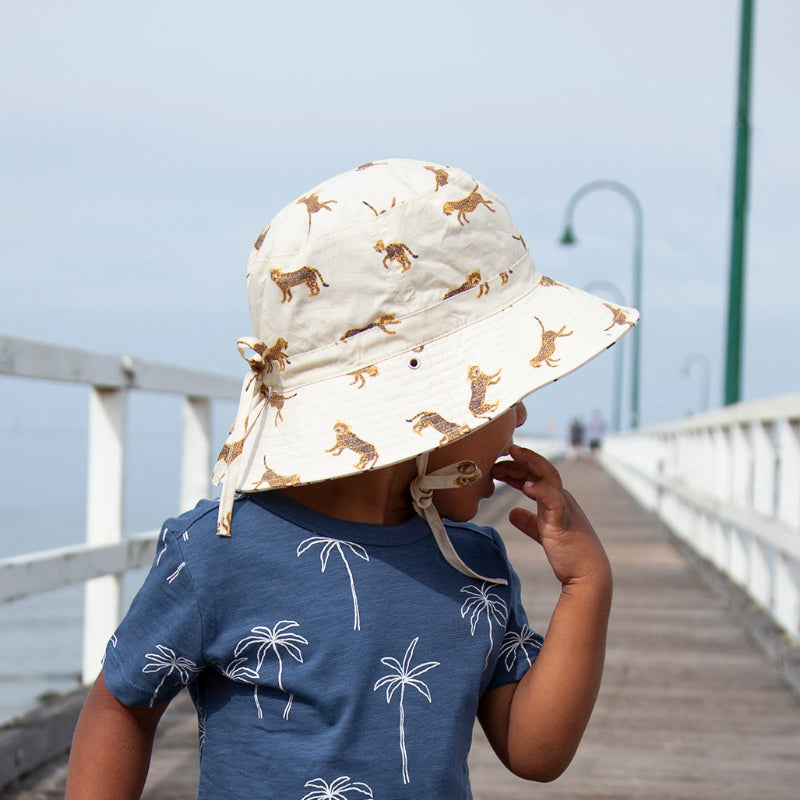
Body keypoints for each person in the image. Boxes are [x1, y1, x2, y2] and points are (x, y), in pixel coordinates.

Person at [65, 159, 638, 798]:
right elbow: (124, 704)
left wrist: (589, 586)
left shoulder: (475, 565)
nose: (523, 414)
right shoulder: (220, 552)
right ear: (429, 410)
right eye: (502, 395)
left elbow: (535, 750)